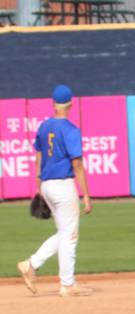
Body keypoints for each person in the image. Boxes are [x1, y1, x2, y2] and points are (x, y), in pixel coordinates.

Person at [17, 84, 92, 297]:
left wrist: (39, 185)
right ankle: (67, 284)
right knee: (71, 235)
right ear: (71, 104)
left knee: (64, 232)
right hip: (63, 185)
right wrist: (86, 195)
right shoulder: (70, 130)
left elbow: (38, 157)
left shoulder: (43, 127)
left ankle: (31, 264)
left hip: (47, 184)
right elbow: (77, 165)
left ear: (53, 104)